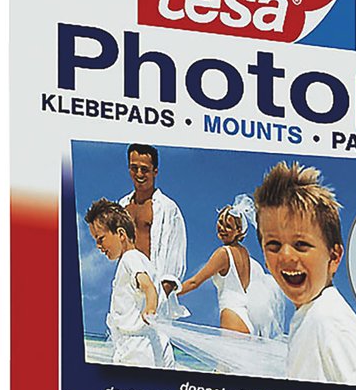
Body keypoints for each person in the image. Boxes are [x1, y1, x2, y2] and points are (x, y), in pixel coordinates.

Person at [254, 161, 356, 387]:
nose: (286, 256)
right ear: (264, 257)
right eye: (273, 245)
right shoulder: (309, 315)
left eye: (301, 244)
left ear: (334, 257)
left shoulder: (328, 318)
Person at [84, 198, 172, 368]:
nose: (98, 246)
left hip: (136, 350)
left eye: (100, 238)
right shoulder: (143, 260)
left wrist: (150, 309)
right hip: (149, 344)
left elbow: (148, 287)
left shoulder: (130, 258)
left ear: (121, 234)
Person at [178, 195, 256, 334]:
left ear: (238, 231)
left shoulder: (223, 253)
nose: (222, 228)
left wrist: (167, 293)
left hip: (231, 315)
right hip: (245, 318)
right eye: (220, 222)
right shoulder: (245, 253)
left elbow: (194, 282)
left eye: (228, 226)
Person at [119, 144, 187, 301]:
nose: (139, 174)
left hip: (155, 289)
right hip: (127, 290)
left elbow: (175, 257)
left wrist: (158, 298)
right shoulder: (122, 206)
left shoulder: (168, 208)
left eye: (144, 169)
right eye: (134, 168)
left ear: (155, 171)